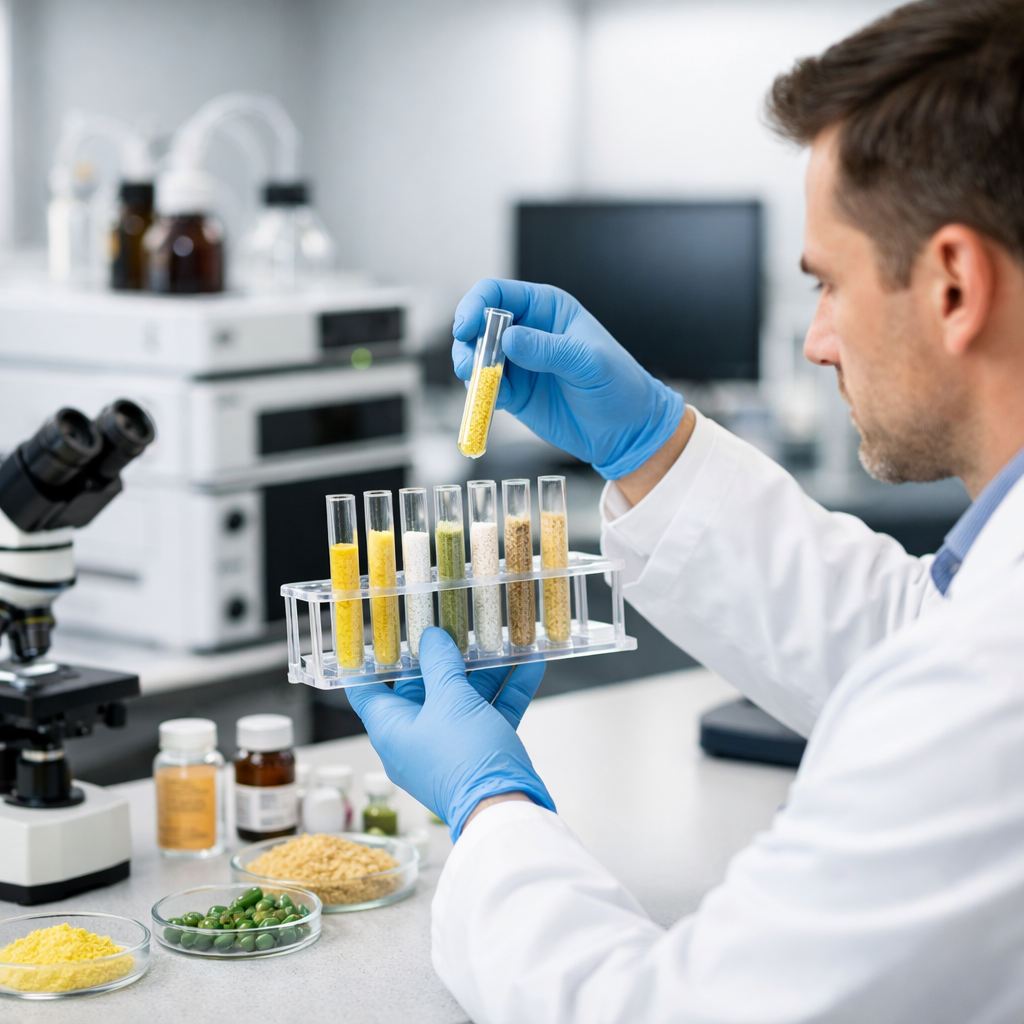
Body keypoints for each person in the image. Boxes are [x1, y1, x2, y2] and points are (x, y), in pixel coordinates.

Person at [347, 1, 1024, 1020]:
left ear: (954, 286)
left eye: (828, 285)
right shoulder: (988, 631)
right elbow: (909, 638)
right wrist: (652, 447)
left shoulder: (988, 695)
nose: (817, 341)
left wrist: (489, 806)